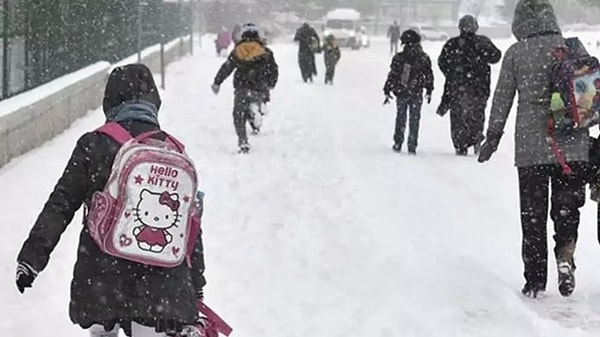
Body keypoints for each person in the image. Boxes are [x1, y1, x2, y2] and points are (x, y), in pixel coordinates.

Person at [14, 64, 207, 336]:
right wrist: (195, 282)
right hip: (161, 285)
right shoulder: (173, 151)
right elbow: (190, 226)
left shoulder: (94, 144)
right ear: (154, 102)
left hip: (101, 276)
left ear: (110, 101)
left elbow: (61, 204)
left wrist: (32, 258)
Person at [478, 0, 589, 298]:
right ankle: (565, 257)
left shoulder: (517, 53)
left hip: (531, 149)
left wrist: (493, 136)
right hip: (573, 147)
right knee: (567, 210)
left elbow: (502, 98)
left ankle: (535, 281)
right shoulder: (572, 48)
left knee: (533, 215)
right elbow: (590, 95)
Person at [438, 15, 502, 156]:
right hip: (479, 88)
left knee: (458, 117)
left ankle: (461, 144)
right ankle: (476, 138)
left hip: (457, 87)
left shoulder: (452, 44)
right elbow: (496, 56)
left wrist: (452, 74)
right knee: (477, 115)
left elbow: (442, 62)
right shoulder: (483, 42)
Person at [211, 23, 279, 153]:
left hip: (241, 87)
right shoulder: (266, 52)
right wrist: (271, 83)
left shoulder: (237, 51)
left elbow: (227, 68)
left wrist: (217, 82)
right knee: (255, 103)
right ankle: (257, 113)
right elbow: (274, 70)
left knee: (239, 114)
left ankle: (243, 141)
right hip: (259, 87)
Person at [383, 29, 434, 154]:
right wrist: (429, 89)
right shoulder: (423, 57)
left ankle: (398, 141)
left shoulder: (400, 57)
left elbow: (393, 74)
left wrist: (388, 88)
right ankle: (412, 144)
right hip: (416, 92)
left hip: (402, 91)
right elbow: (429, 75)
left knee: (401, 117)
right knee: (414, 118)